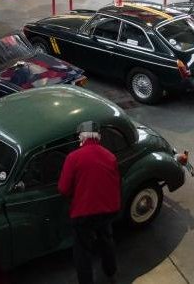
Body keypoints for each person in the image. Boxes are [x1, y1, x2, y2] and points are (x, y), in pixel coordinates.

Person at [58, 121, 120, 284]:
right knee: (106, 238)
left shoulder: (73, 157)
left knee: (82, 250)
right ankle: (110, 270)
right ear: (98, 137)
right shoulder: (110, 156)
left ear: (82, 137)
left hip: (84, 213)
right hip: (108, 210)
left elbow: (63, 188)